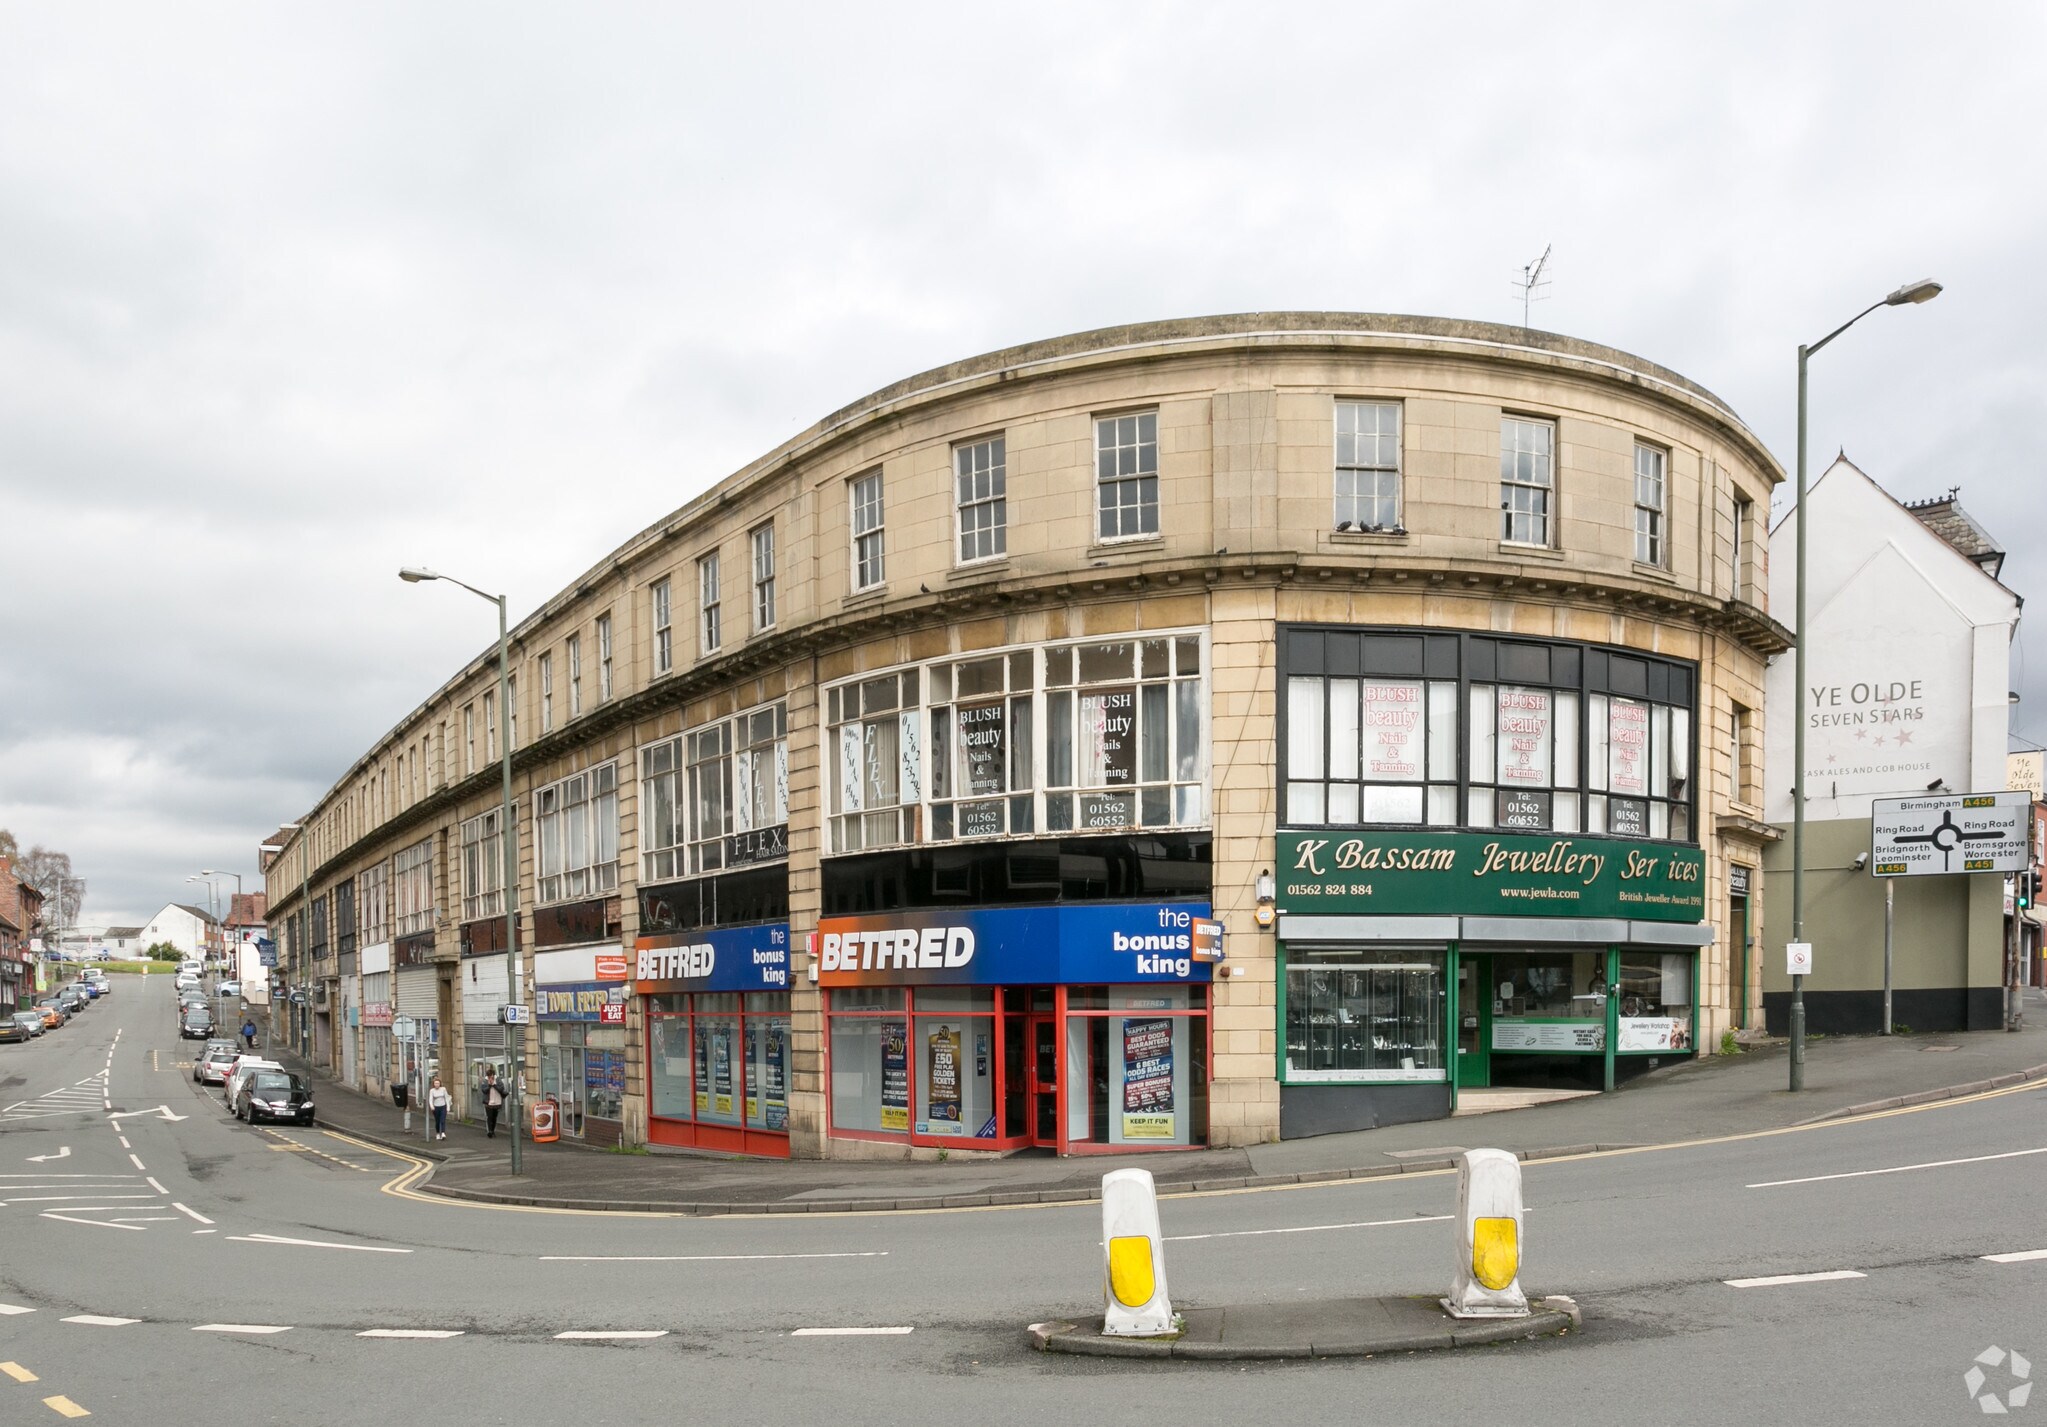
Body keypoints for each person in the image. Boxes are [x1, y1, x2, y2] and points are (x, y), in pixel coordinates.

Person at [482, 1066, 506, 1138]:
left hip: (497, 1102)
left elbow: (501, 1088)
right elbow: (484, 1090)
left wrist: (494, 1085)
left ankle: (493, 1130)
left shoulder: (498, 1080)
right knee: (489, 1117)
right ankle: (490, 1131)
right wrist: (489, 1085)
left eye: (491, 1076)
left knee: (494, 1117)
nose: (490, 1078)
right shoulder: (485, 1081)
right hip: (488, 1102)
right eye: (489, 1077)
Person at [427, 1074, 450, 1141]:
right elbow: (430, 1099)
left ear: (440, 1084)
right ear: (433, 1084)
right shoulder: (432, 1091)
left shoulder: (443, 1089)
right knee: (437, 1121)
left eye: (438, 1083)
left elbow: (446, 1098)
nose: (437, 1084)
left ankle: (443, 1133)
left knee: (442, 1120)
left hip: (443, 1106)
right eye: (435, 1083)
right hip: (436, 1108)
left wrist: (448, 1107)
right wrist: (432, 1106)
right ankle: (437, 1133)